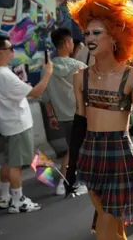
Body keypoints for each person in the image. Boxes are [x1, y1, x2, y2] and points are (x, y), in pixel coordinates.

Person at [66, 0, 133, 239]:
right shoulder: (80, 77)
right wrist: (71, 165)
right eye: (87, 34)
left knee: (107, 226)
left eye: (97, 33)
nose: (90, 39)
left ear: (114, 37)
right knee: (110, 226)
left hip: (119, 153)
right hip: (91, 154)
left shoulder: (131, 76)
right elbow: (79, 122)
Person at [0, 33, 53, 213]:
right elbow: (35, 92)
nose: (12, 52)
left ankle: (4, 196)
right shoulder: (5, 75)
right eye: (9, 49)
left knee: (8, 162)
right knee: (16, 164)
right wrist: (47, 74)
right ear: (0, 52)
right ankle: (18, 200)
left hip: (7, 125)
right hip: (17, 125)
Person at [43, 28, 88, 196]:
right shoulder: (78, 66)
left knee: (73, 148)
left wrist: (51, 116)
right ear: (68, 43)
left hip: (62, 116)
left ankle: (63, 182)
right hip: (80, 114)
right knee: (80, 149)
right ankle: (78, 182)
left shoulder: (48, 68)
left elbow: (45, 95)